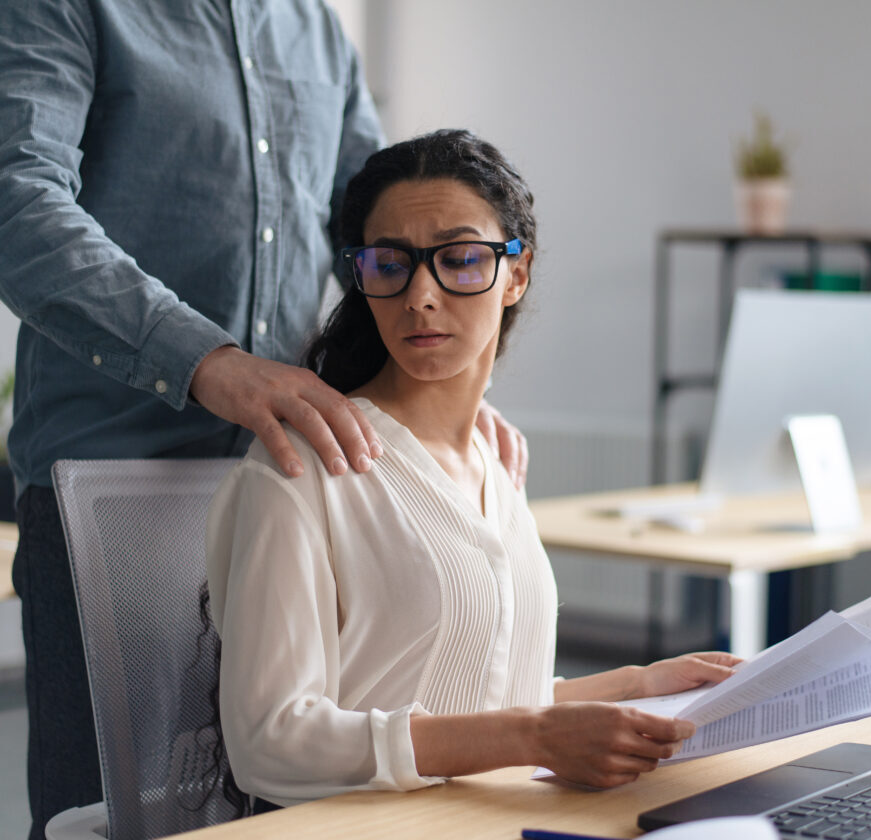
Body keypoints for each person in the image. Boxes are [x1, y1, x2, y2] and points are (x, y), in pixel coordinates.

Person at [0, 4, 525, 836]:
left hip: (289, 475)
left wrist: (449, 384)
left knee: (274, 806)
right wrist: (208, 362)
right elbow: (17, 207)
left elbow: (382, 232)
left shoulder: (313, 27)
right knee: (105, 818)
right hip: (108, 481)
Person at [206, 129, 741, 809]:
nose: (420, 295)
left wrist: (635, 687)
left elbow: (471, 698)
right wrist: (536, 737)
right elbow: (269, 740)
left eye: (459, 259)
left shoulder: (495, 459)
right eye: (390, 264)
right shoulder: (303, 465)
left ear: (516, 273)